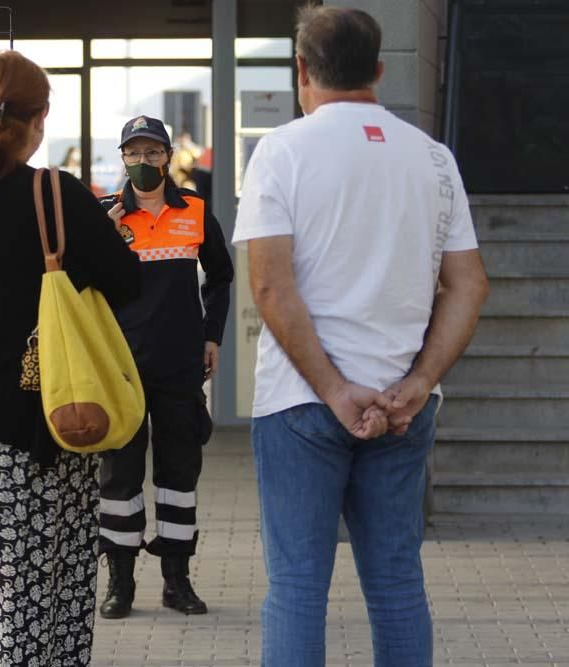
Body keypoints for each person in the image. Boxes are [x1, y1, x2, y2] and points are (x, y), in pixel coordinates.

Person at [232, 7, 489, 666]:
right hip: (403, 407)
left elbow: (268, 287)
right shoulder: (433, 159)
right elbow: (469, 285)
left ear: (301, 71)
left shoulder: (281, 151)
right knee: (398, 585)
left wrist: (334, 387)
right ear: (378, 69)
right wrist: (419, 383)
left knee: (296, 588)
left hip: (299, 402)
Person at [0, 51, 140, 666]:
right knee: (28, 591)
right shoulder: (54, 193)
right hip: (25, 417)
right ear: (39, 120)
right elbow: (126, 283)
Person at [97, 115, 234, 618]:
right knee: (119, 479)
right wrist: (102, 239)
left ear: (168, 157)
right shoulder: (104, 214)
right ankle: (120, 584)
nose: (143, 162)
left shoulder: (196, 211)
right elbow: (75, 283)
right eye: (134, 153)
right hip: (120, 369)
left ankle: (177, 581)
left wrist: (213, 335)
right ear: (123, 159)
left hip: (180, 365)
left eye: (152, 153)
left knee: (179, 473)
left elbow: (220, 276)